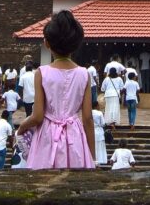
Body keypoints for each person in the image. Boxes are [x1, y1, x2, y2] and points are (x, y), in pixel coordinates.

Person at [16, 10, 95, 168]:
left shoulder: (42, 73)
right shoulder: (84, 74)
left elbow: (37, 116)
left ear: (47, 43)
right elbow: (87, 118)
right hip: (75, 136)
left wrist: (22, 127)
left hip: (47, 136)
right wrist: (92, 157)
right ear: (76, 44)